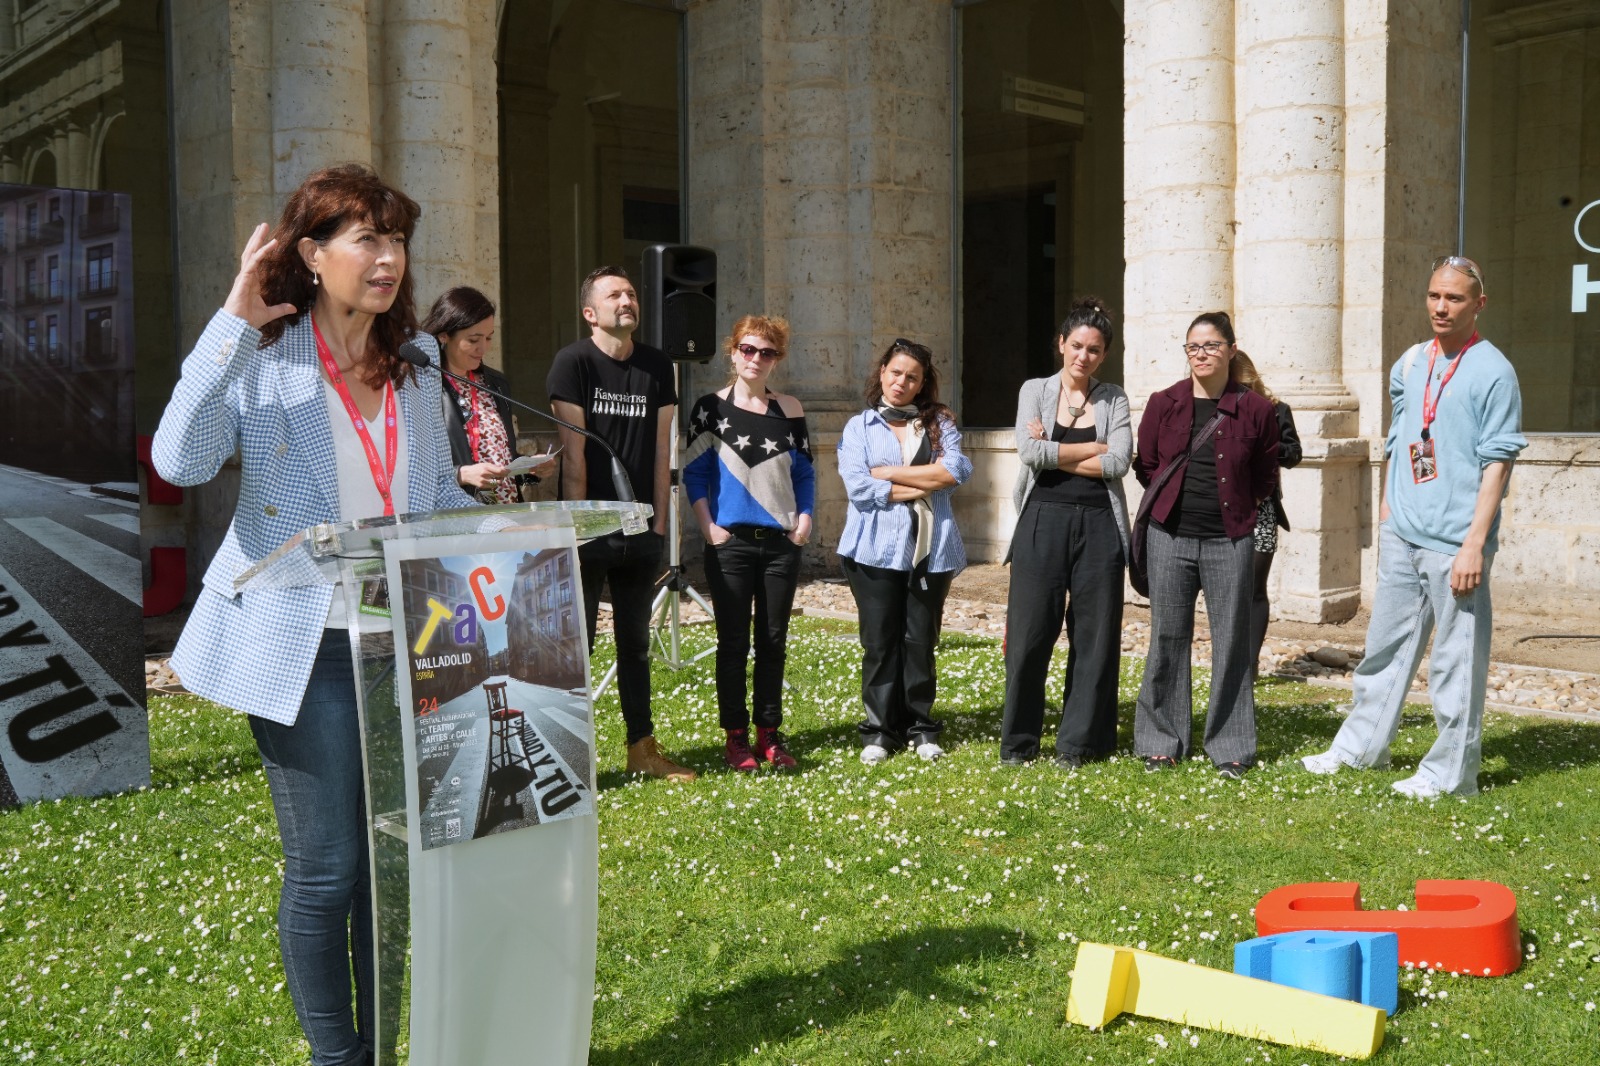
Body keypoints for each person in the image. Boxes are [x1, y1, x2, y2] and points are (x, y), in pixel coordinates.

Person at [151, 164, 478, 1066]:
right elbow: (178, 462)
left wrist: (515, 534)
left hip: (404, 637)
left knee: (388, 868)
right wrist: (230, 323)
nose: (388, 258)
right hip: (306, 643)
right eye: (367, 239)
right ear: (312, 253)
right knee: (329, 866)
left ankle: (381, 1045)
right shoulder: (261, 358)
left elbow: (433, 497)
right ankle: (341, 1058)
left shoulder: (416, 365)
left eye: (397, 239)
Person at [1302, 256, 1525, 798]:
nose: (1441, 307)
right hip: (1403, 531)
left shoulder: (1495, 372)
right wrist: (1387, 507)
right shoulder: (1409, 362)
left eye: (1454, 298)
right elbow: (1401, 437)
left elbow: (1498, 464)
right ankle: (1360, 749)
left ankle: (1451, 776)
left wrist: (1475, 544)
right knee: (1383, 649)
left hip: (1455, 543)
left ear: (1478, 304)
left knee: (1455, 662)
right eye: (1434, 296)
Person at [546, 266, 695, 782]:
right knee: (576, 649)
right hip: (587, 531)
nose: (627, 300)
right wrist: (576, 533)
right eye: (614, 295)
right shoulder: (573, 363)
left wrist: (660, 527)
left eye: (630, 293)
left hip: (640, 530)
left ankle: (642, 747)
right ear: (590, 312)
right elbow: (574, 457)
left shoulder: (657, 365)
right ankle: (568, 756)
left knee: (635, 645)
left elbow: (662, 450)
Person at [1133, 311, 1280, 779]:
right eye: (1193, 347)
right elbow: (1147, 465)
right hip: (1169, 537)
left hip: (1229, 540)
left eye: (1212, 345)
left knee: (1232, 642)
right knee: (1166, 637)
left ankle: (1230, 746)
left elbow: (1266, 475)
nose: (1201, 354)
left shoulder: (1256, 409)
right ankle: (1161, 741)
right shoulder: (1164, 403)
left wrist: (1242, 508)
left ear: (1231, 350)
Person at [999, 297, 1133, 769]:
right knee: (1029, 633)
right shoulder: (1034, 390)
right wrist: (1094, 447)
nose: (1083, 356)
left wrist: (1053, 449)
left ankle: (1080, 744)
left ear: (1104, 354)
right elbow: (1028, 452)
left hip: (1100, 523)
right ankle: (1018, 743)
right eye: (1076, 345)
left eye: (1094, 349)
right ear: (1061, 344)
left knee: (1095, 635)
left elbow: (1120, 462)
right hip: (1043, 517)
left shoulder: (1113, 397)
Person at [682, 315, 815, 772]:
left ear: (777, 359)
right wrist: (708, 528)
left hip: (781, 545)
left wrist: (804, 521)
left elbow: (804, 473)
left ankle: (769, 734)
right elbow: (694, 473)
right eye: (748, 349)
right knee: (733, 643)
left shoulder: (790, 409)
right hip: (730, 545)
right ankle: (736, 737)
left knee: (774, 641)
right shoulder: (709, 409)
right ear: (733, 351)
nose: (756, 358)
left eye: (767, 352)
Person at [836, 338, 972, 765]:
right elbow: (860, 487)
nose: (901, 382)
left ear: (922, 383)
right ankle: (879, 732)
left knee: (920, 642)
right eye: (895, 372)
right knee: (879, 643)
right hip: (872, 550)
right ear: (882, 373)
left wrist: (890, 473)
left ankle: (921, 728)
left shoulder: (938, 423)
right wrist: (924, 482)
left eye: (912, 377)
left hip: (932, 549)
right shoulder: (859, 427)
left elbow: (957, 471)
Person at [1230, 350, 1303, 677]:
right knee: (1228, 589)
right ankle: (1228, 662)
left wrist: (1264, 444)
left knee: (1254, 588)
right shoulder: (1217, 409)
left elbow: (1294, 453)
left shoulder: (1276, 410)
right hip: (1221, 510)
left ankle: (1248, 667)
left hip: (1262, 509)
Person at [422, 286, 521, 503]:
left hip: (506, 508)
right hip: (458, 510)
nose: (483, 349)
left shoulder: (496, 383)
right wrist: (462, 474)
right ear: (444, 336)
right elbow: (414, 466)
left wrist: (527, 467)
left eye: (489, 338)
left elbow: (499, 453)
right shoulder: (424, 386)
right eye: (474, 340)